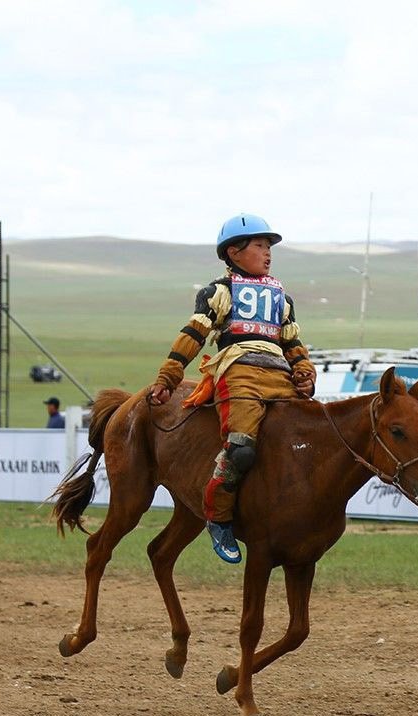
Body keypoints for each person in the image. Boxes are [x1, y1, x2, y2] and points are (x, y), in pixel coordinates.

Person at [148, 214, 316, 564]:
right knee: (241, 448)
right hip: (238, 372)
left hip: (279, 375)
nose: (268, 253)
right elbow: (193, 335)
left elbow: (293, 342)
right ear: (234, 252)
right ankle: (219, 518)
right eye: (259, 245)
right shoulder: (219, 292)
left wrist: (303, 370)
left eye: (269, 247)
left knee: (305, 443)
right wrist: (168, 378)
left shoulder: (281, 296)